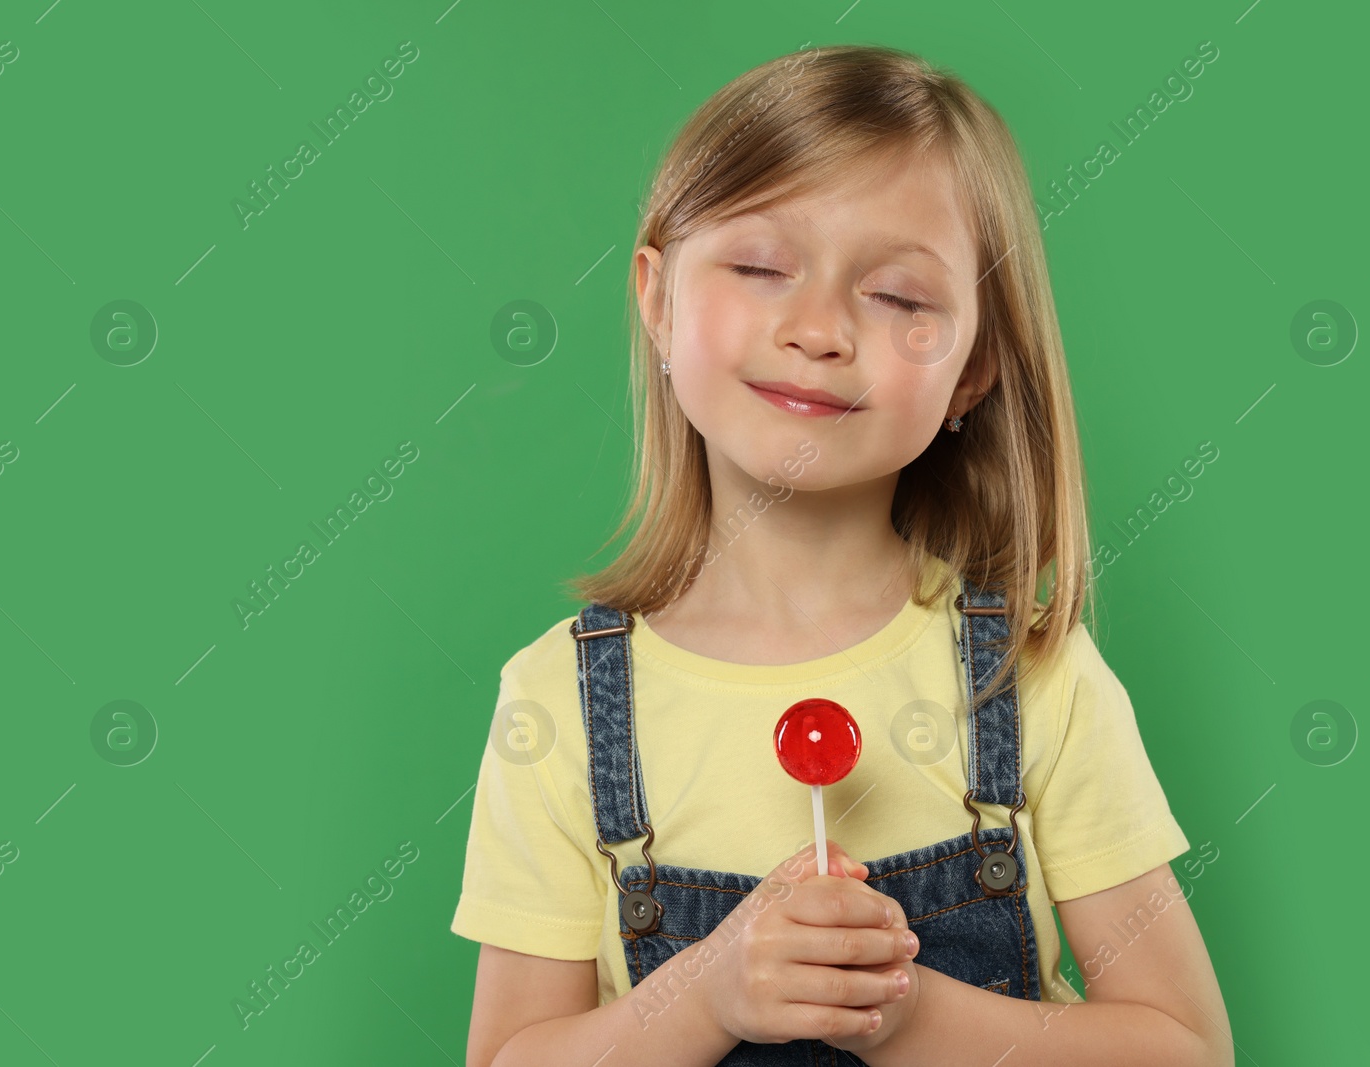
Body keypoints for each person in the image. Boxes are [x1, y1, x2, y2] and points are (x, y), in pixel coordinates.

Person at [452, 43, 1233, 1067]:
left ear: (972, 369)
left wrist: (906, 1012)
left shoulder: (1032, 677)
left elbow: (1185, 1047)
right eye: (762, 266)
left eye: (900, 298)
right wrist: (709, 991)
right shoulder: (558, 700)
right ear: (658, 299)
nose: (817, 327)